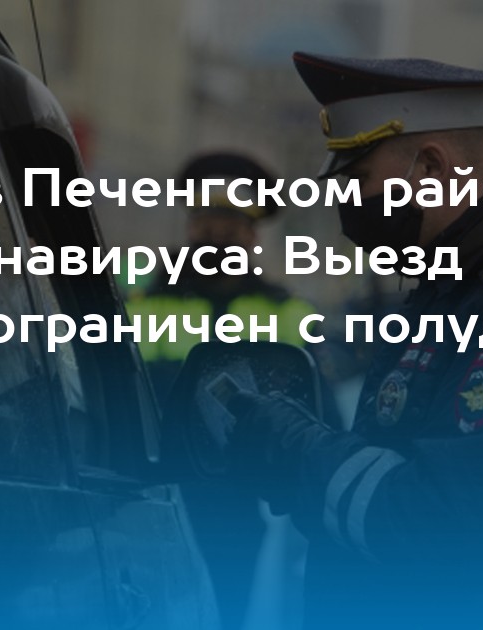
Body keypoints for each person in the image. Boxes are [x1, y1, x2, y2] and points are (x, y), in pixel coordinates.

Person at [223, 53, 483, 629]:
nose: (346, 204)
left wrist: (294, 448)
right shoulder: (456, 293)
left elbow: (442, 527)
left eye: (358, 181)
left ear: (430, 166)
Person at [126, 152, 316, 629]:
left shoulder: (286, 312)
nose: (215, 237)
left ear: (252, 235)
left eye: (230, 227)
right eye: (205, 223)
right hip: (144, 491)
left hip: (234, 499)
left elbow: (313, 409)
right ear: (190, 225)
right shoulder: (139, 300)